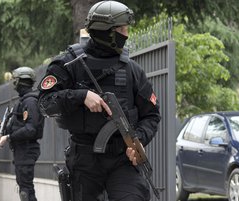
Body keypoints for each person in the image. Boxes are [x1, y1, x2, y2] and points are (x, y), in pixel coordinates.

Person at [37, 1, 161, 201]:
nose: (126, 34)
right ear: (105, 32)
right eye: (121, 29)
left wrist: (138, 140)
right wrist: (81, 96)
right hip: (84, 160)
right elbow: (44, 103)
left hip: (122, 159)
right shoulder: (69, 64)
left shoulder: (132, 70)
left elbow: (152, 115)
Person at [0, 66, 44, 201]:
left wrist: (8, 137)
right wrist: (3, 133)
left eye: (15, 80)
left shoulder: (30, 102)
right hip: (21, 149)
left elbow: (31, 129)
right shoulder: (23, 101)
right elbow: (17, 125)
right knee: (25, 187)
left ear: (19, 81)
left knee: (25, 189)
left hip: (27, 149)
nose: (13, 84)